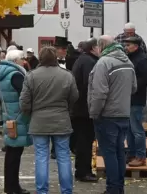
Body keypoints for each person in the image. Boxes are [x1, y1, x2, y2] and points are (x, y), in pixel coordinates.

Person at [20, 46, 78, 194]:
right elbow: (74, 97)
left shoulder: (32, 76)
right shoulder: (67, 75)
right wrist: (66, 109)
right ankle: (66, 190)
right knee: (64, 156)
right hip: (61, 119)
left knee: (41, 156)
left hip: (39, 120)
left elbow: (24, 101)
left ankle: (42, 190)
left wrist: (29, 113)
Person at [88, 35, 137, 194]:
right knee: (119, 153)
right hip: (123, 113)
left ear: (101, 46)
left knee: (109, 153)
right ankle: (119, 188)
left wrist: (94, 113)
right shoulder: (128, 62)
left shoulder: (104, 63)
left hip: (107, 115)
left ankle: (112, 189)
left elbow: (100, 93)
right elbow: (134, 87)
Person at [0, 49, 32, 194]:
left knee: (11, 151)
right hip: (18, 116)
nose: (24, 61)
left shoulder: (2, 73)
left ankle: (10, 185)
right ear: (16, 60)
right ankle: (12, 187)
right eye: (22, 58)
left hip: (9, 114)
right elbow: (25, 95)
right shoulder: (16, 75)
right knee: (15, 153)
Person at [70, 38, 100, 182]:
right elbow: (90, 85)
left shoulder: (83, 59)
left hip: (80, 108)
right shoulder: (89, 62)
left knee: (83, 140)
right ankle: (83, 171)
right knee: (85, 141)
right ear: (94, 48)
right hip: (84, 109)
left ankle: (82, 170)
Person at [124, 36, 147, 167]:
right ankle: (131, 154)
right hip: (129, 98)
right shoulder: (131, 57)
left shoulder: (142, 59)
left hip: (137, 98)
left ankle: (141, 156)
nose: (126, 47)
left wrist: (132, 86)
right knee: (129, 129)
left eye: (128, 45)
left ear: (135, 46)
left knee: (137, 129)